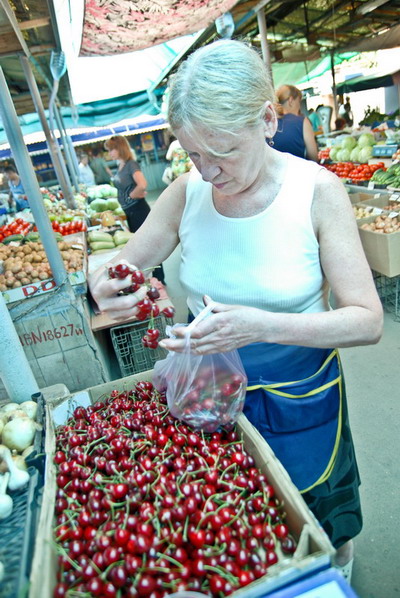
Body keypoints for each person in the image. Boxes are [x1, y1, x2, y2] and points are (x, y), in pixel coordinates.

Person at [89, 40, 383, 580]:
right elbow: (121, 265)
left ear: (267, 120)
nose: (206, 171)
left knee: (323, 519)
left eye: (220, 153)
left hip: (299, 391)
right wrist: (104, 281)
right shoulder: (185, 193)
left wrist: (257, 325)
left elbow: (367, 319)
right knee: (238, 521)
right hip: (209, 392)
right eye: (192, 154)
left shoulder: (316, 192)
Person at [104, 135, 165, 284]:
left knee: (148, 246)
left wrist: (131, 196)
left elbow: (142, 184)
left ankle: (159, 279)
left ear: (120, 148)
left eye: (112, 149)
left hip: (138, 210)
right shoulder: (121, 165)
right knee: (140, 246)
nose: (110, 153)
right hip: (130, 212)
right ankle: (149, 278)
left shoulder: (131, 164)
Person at [272, 85, 319, 162]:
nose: (299, 106)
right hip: (298, 172)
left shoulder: (270, 123)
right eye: (299, 101)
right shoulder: (302, 122)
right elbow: (313, 158)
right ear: (291, 100)